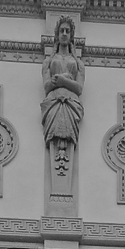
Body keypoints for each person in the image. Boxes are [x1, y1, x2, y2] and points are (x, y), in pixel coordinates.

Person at [41, 16, 84, 168]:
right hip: (53, 101)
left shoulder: (78, 63)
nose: (64, 33)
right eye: (62, 31)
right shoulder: (48, 61)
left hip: (71, 103)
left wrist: (63, 80)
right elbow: (46, 87)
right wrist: (57, 81)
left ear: (71, 35)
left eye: (67, 31)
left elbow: (79, 88)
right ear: (57, 35)